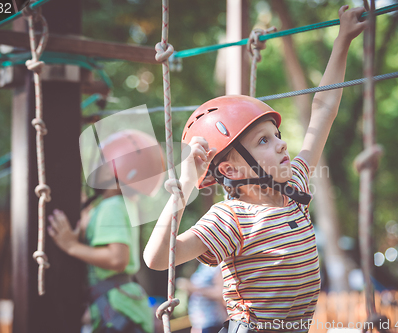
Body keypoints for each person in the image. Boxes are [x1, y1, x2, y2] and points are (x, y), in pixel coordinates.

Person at [143, 5, 366, 333]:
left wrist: (343, 40)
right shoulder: (230, 219)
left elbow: (324, 109)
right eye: (263, 141)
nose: (281, 144)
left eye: (276, 135)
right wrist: (187, 183)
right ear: (231, 171)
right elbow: (157, 259)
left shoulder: (294, 188)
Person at [48, 129, 165, 333]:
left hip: (118, 311)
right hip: (118, 307)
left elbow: (117, 259)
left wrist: (71, 246)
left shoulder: (113, 206)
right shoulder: (114, 205)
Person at [176, 264, 227, 333]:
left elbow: (221, 293)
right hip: (199, 323)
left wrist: (192, 288)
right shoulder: (202, 265)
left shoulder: (218, 266)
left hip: (213, 322)